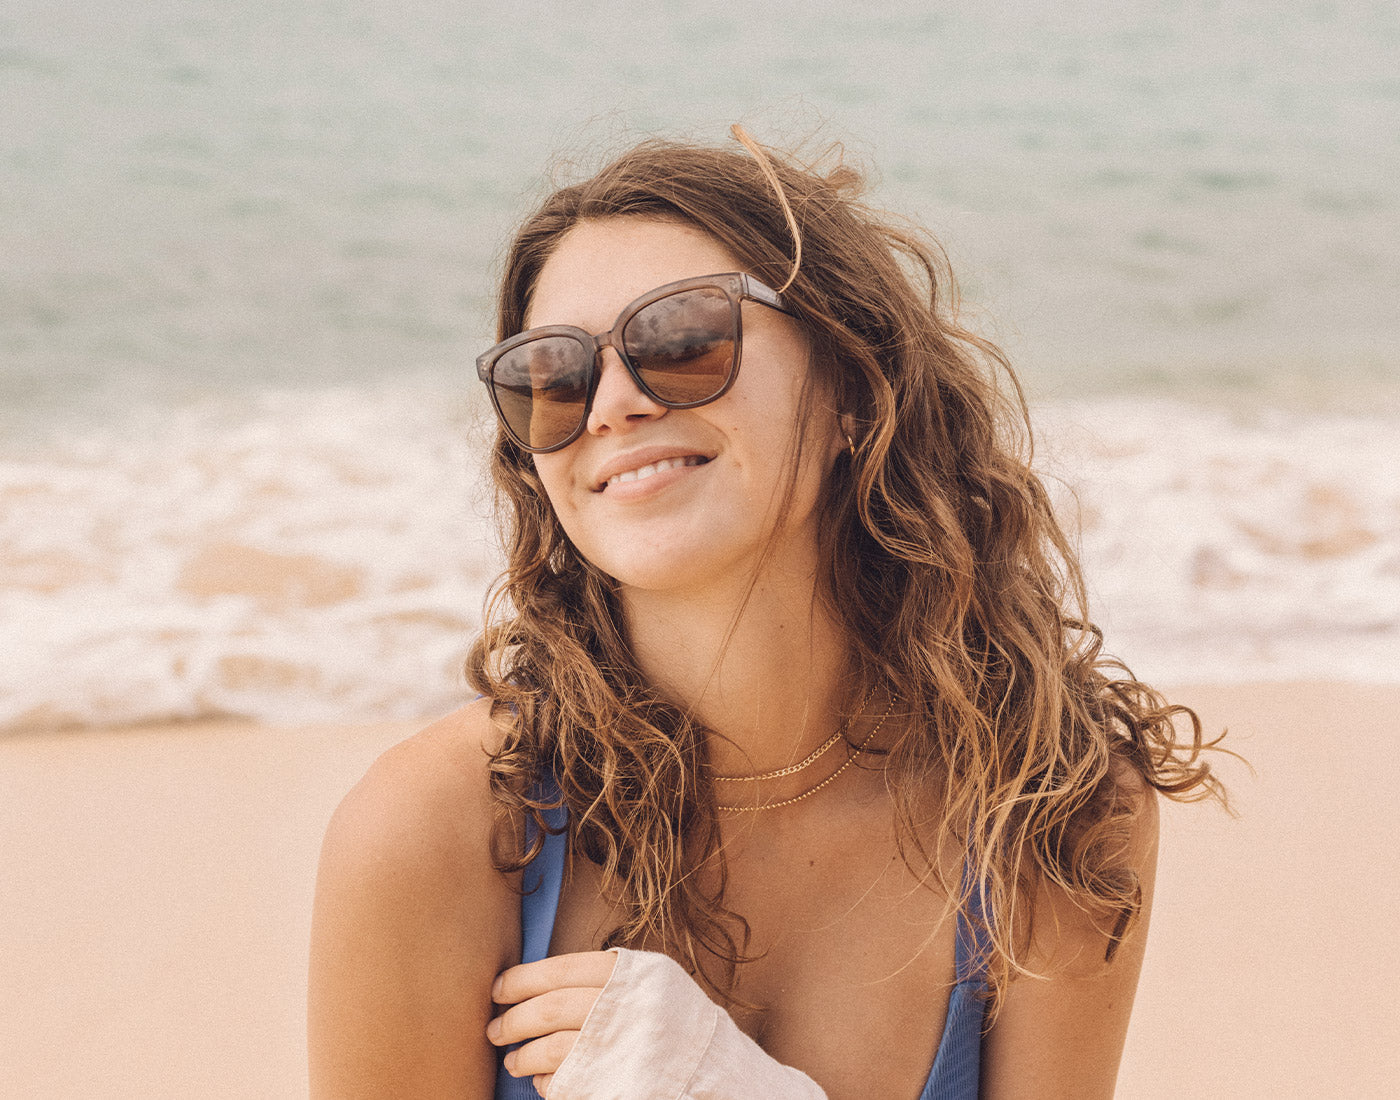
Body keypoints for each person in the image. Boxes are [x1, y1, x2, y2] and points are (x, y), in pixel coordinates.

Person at [307, 127, 1223, 1099]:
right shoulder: (436, 831)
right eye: (554, 376)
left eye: (681, 338)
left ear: (852, 392)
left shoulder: (1051, 800)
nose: (610, 405)